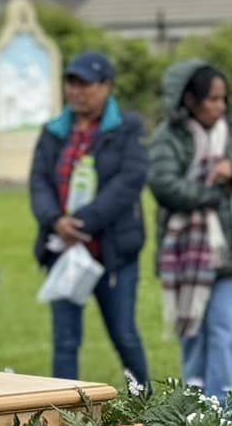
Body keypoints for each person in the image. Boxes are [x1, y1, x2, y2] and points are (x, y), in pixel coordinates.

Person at [29, 50, 150, 386]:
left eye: (86, 83)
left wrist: (80, 222)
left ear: (107, 86)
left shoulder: (128, 128)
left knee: (124, 335)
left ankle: (149, 410)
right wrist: (56, 220)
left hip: (113, 253)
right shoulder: (54, 131)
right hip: (64, 252)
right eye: (72, 82)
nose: (77, 90)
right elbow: (39, 181)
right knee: (65, 342)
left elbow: (129, 182)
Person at [149, 59, 232, 402]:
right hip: (185, 255)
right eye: (213, 99)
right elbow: (163, 185)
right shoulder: (167, 137)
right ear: (189, 100)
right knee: (193, 332)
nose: (220, 106)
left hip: (226, 254)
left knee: (224, 332)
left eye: (223, 99)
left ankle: (226, 412)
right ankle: (195, 410)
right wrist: (214, 194)